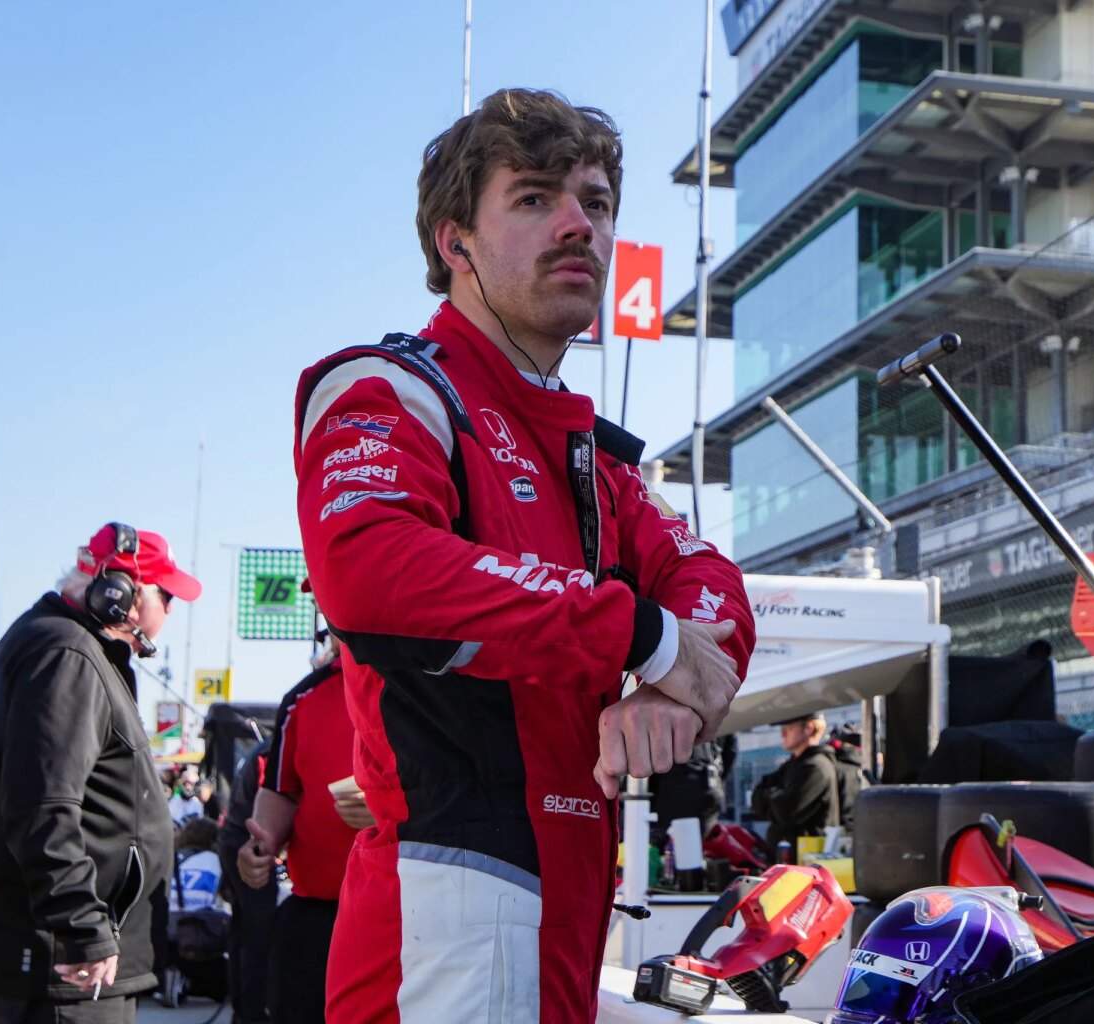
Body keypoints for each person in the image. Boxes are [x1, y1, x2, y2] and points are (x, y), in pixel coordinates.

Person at [291, 88, 754, 1023]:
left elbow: (712, 585)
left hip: (568, 905)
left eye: (597, 201)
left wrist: (675, 681)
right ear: (454, 242)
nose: (580, 223)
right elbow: (371, 570)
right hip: (451, 909)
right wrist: (639, 635)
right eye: (536, 197)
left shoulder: (596, 463)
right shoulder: (391, 389)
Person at [0, 524, 201, 1023]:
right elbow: (43, 805)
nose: (170, 609)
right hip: (61, 967)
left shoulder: (50, 643)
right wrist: (81, 926)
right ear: (118, 593)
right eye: (164, 594)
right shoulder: (65, 655)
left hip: (41, 955)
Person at [234, 637, 366, 1024]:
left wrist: (392, 808)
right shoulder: (304, 696)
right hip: (315, 915)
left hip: (407, 915)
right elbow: (283, 789)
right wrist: (263, 844)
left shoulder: (436, 684)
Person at [216, 734, 275, 1023]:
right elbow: (267, 802)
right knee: (257, 933)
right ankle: (251, 1010)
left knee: (244, 929)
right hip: (247, 841)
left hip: (236, 839)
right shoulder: (273, 751)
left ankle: (244, 1008)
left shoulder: (263, 750)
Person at [750, 713, 840, 849]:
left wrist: (769, 797)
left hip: (806, 860)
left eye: (788, 728)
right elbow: (757, 796)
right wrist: (774, 797)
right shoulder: (794, 764)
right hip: (791, 857)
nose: (782, 735)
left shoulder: (816, 767)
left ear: (808, 728)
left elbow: (785, 812)